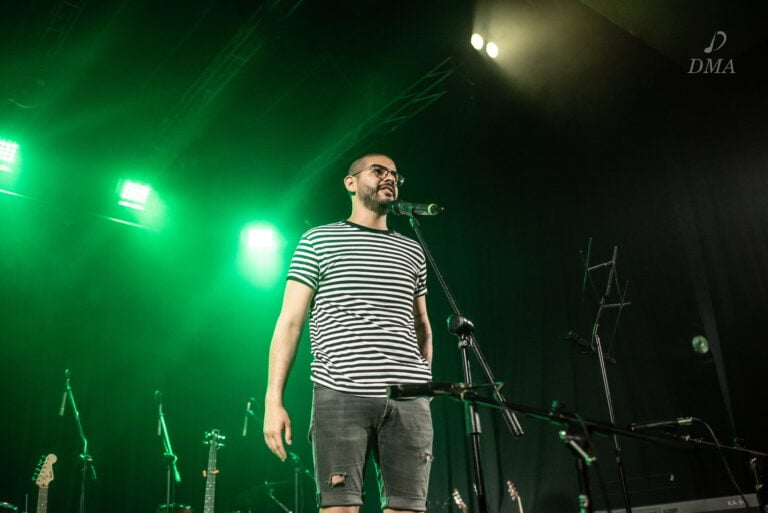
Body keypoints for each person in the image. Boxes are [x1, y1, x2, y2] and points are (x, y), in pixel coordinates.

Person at [263, 154, 434, 513]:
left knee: (408, 509)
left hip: (408, 398)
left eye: (395, 174)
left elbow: (422, 324)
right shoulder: (318, 240)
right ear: (351, 183)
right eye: (378, 171)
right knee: (339, 508)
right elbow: (290, 322)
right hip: (341, 392)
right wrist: (272, 400)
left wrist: (423, 384)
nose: (390, 178)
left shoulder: (412, 249)